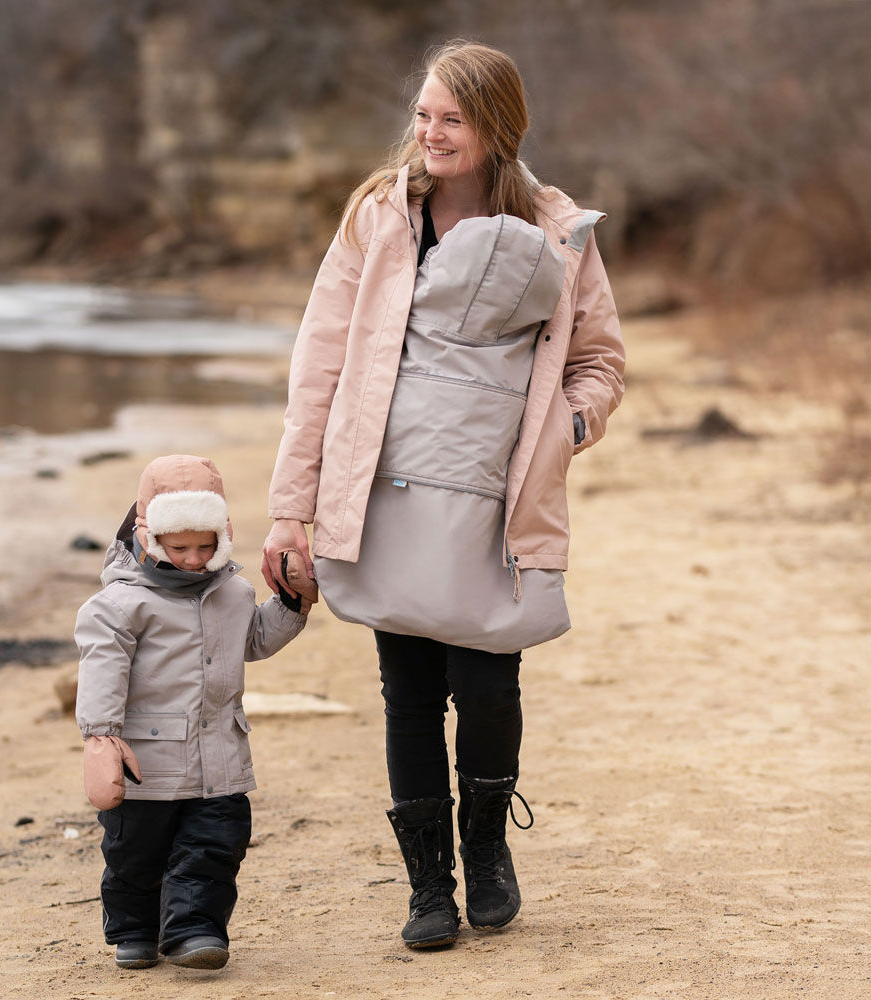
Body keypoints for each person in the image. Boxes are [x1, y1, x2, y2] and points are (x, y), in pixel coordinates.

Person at [262, 41, 624, 950]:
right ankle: (429, 887)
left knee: (489, 685)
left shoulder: (559, 230)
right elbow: (319, 368)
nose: (429, 133)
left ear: (497, 127)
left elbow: (599, 362)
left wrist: (569, 426)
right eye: (422, 115)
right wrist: (289, 509)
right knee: (410, 694)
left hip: (495, 511)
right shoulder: (378, 219)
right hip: (383, 495)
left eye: (451, 119)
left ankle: (487, 850)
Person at [75, 454, 313, 971]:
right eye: (178, 547)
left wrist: (291, 604)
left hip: (220, 756)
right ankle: (135, 930)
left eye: (206, 546)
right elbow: (102, 672)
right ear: (149, 536)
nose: (193, 558)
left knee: (215, 846)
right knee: (136, 853)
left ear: (222, 535)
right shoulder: (120, 605)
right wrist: (100, 737)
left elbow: (253, 639)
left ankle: (194, 930)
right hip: (147, 764)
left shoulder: (233, 592)